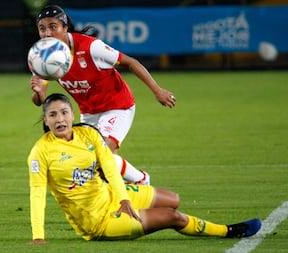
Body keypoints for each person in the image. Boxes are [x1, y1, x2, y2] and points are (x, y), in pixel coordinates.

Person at [27, 93, 261, 243]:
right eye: (53, 114)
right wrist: (38, 237)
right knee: (173, 217)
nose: (60, 119)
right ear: (45, 120)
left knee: (173, 199)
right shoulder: (41, 151)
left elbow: (109, 168)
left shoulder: (88, 133)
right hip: (98, 221)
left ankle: (137, 201)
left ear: (73, 114)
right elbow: (37, 194)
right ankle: (227, 231)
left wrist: (123, 199)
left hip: (111, 197)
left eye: (64, 112)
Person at [29, 4, 177, 185]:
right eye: (42, 29)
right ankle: (120, 193)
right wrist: (37, 92)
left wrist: (157, 90)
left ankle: (141, 180)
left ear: (65, 27)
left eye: (53, 27)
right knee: (92, 163)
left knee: (101, 152)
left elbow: (131, 62)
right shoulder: (43, 56)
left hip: (118, 106)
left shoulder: (90, 47)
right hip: (89, 113)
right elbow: (40, 101)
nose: (47, 33)